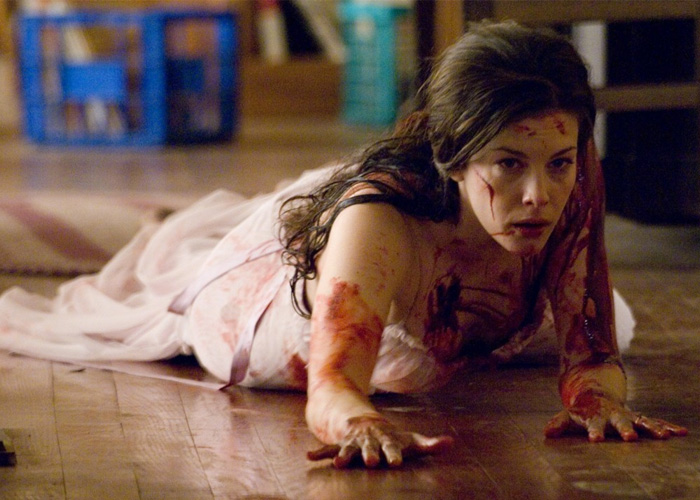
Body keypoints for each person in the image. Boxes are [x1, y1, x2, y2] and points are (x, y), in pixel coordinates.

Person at [0, 21, 687, 469]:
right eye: (507, 164)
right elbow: (332, 387)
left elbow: (592, 348)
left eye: (558, 165)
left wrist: (597, 401)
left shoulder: (565, 166)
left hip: (454, 291)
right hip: (277, 320)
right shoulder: (380, 223)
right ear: (453, 157)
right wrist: (358, 420)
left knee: (620, 319)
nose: (539, 195)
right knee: (226, 291)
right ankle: (227, 246)